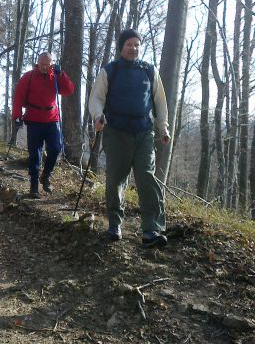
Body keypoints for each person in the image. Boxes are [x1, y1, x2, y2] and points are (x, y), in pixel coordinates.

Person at [88, 29, 171, 248]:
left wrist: (163, 128)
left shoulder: (149, 71)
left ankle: (151, 229)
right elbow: (96, 98)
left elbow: (160, 102)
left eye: (136, 45)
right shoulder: (110, 71)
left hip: (144, 132)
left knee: (146, 176)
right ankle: (115, 224)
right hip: (116, 132)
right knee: (115, 179)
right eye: (129, 45)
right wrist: (98, 116)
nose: (133, 48)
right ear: (121, 47)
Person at [12, 52, 75, 198]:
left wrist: (62, 74)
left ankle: (46, 176)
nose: (45, 67)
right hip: (33, 119)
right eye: (42, 64)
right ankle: (33, 186)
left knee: (56, 148)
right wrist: (17, 116)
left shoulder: (55, 77)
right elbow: (18, 98)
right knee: (35, 153)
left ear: (52, 63)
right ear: (37, 63)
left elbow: (69, 90)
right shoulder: (28, 77)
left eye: (48, 64)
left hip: (52, 118)